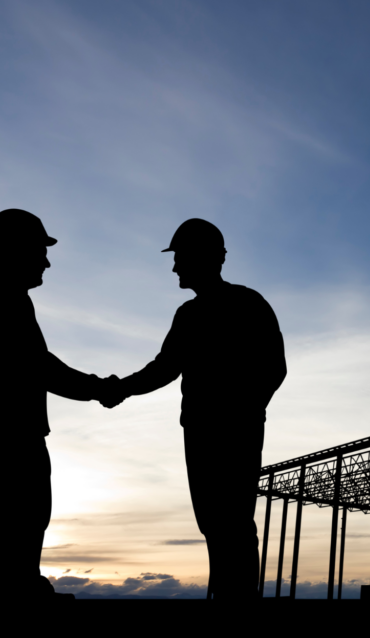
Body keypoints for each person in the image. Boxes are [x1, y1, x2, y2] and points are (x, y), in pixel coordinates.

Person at [102, 218, 286, 601]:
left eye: (180, 257)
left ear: (206, 258)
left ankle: (238, 599)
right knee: (214, 521)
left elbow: (274, 367)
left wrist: (244, 410)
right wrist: (122, 387)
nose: (174, 267)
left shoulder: (248, 303)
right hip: (202, 431)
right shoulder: (189, 314)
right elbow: (164, 368)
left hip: (232, 430)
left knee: (232, 520)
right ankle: (226, 595)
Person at [0, 209, 116, 600]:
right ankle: (16, 596)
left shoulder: (8, 301)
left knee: (20, 519)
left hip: (5, 435)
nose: (46, 260)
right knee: (16, 518)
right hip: (10, 436)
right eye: (39, 249)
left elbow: (39, 367)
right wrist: (98, 388)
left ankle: (22, 589)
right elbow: (42, 369)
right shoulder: (6, 304)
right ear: (14, 250)